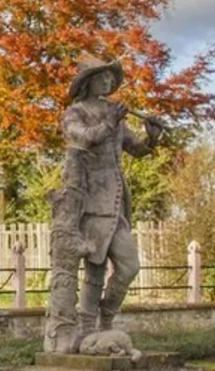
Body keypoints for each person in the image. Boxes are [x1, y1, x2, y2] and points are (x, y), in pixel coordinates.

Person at [44, 58, 165, 353]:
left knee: (129, 266)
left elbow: (135, 149)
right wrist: (110, 122)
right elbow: (82, 139)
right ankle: (87, 328)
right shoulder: (76, 112)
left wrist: (151, 137)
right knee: (95, 269)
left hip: (116, 204)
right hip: (89, 201)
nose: (109, 83)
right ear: (89, 81)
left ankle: (106, 318)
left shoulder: (115, 115)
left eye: (112, 79)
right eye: (103, 78)